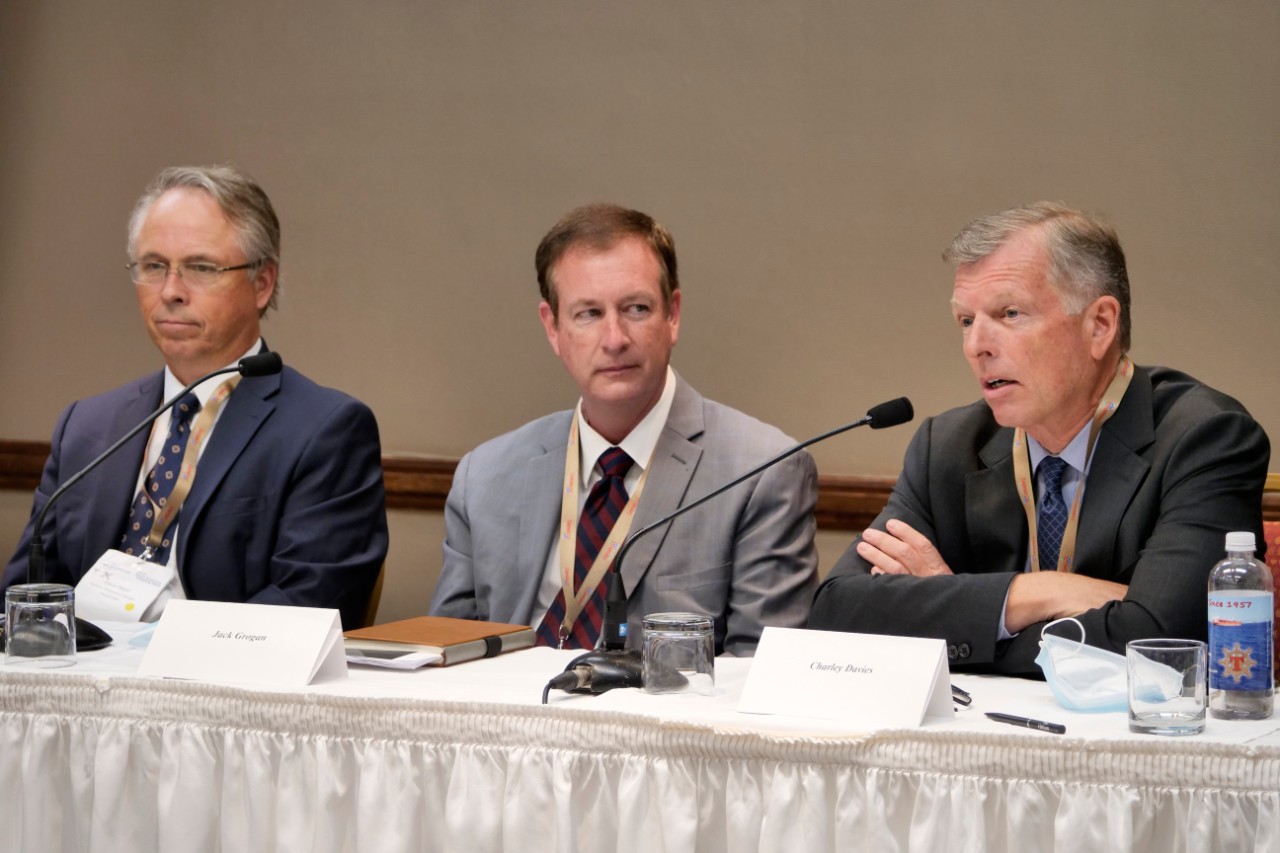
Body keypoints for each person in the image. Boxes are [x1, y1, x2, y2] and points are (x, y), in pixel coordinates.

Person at [810, 202, 1270, 677]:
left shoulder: (1205, 438)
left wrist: (963, 613)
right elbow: (836, 612)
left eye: (1009, 313)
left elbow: (1157, 641)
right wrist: (1040, 592)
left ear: (1100, 325)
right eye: (966, 321)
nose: (976, 346)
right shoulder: (947, 446)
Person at [2, 165, 388, 629]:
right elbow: (24, 598)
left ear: (262, 284)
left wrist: (163, 651)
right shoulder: (87, 427)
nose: (170, 292)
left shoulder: (325, 430)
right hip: (78, 684)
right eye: (153, 267)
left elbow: (305, 607)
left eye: (201, 268)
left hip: (218, 691)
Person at [431, 203, 817, 656]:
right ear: (553, 328)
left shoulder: (763, 471)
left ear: (672, 315)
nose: (614, 339)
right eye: (588, 314)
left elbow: (759, 673)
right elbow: (447, 654)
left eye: (635, 309)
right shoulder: (484, 477)